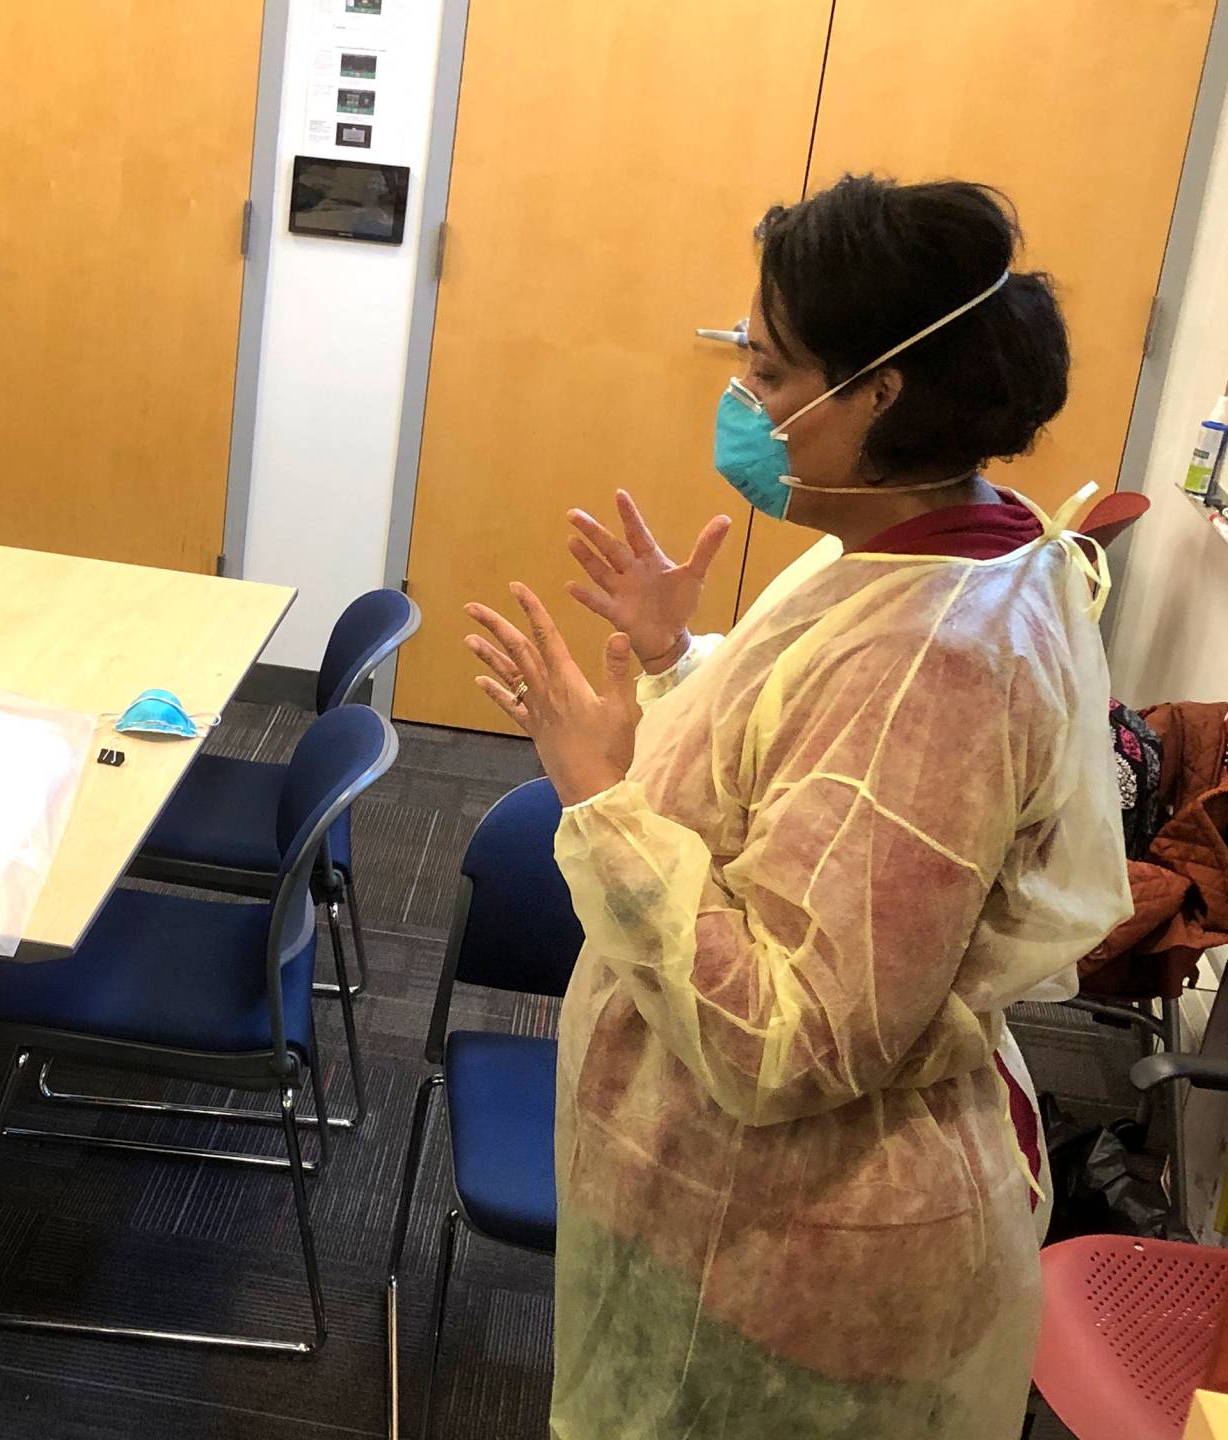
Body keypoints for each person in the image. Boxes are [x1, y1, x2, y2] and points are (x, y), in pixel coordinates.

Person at [462, 175, 1132, 1438]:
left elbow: (792, 1036)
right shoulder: (938, 545)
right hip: (753, 1208)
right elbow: (807, 783)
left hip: (801, 1246)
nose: (742, 402)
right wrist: (675, 661)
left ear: (880, 391)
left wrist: (600, 795)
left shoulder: (939, 661)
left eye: (770, 373)